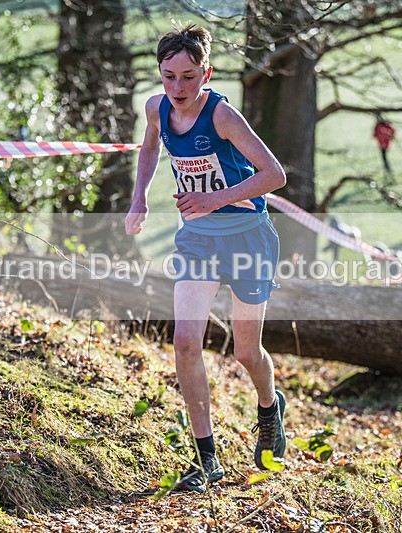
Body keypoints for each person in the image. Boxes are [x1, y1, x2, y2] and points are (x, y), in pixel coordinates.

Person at [124, 25, 287, 493]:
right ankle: (206, 458)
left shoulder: (223, 117)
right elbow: (151, 144)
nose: (177, 88)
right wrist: (140, 198)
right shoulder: (156, 107)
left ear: (206, 73)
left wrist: (217, 199)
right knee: (185, 342)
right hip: (196, 239)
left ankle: (268, 408)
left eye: (189, 77)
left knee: (245, 351)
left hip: (248, 238)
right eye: (169, 76)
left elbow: (274, 175)